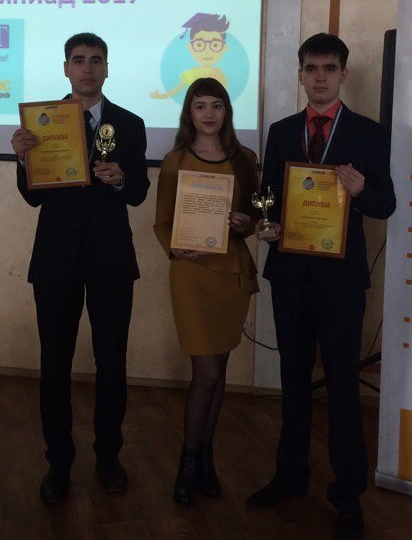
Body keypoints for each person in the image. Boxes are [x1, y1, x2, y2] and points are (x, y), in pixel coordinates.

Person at [247, 34, 396, 540]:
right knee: (292, 380)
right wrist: (266, 225)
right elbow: (268, 196)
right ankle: (290, 477)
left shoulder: (368, 133)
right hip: (290, 275)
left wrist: (362, 189)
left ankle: (348, 495)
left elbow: (385, 204)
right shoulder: (281, 131)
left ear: (344, 75)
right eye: (311, 69)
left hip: (340, 282)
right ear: (300, 74)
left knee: (342, 386)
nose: (320, 78)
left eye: (329, 69)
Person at [11, 32, 150, 504]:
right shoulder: (43, 123)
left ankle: (109, 456)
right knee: (55, 364)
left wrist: (122, 179)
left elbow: (138, 193)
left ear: (106, 68)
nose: (87, 68)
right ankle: (59, 461)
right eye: (78, 60)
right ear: (66, 68)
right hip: (56, 260)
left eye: (95, 60)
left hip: (111, 259)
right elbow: (33, 198)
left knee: (112, 362)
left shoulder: (129, 124)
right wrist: (23, 159)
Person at [153, 78, 259, 506]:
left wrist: (245, 224)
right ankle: (189, 459)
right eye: (200, 106)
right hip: (191, 276)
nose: (209, 114)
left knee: (220, 371)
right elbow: (162, 223)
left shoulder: (245, 159)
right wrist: (175, 247)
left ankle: (206, 457)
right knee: (207, 373)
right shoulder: (174, 161)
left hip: (229, 275)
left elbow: (253, 218)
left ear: (227, 111)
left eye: (217, 105)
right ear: (189, 113)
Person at [150, 13, 230, 99]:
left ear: (224, 47)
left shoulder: (217, 73)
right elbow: (179, 88)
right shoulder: (193, 73)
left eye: (215, 45)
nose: (207, 51)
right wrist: (164, 96)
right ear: (190, 47)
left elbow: (224, 93)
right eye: (199, 45)